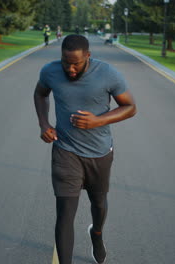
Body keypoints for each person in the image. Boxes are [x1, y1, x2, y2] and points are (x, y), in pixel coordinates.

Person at [33, 35, 136, 264]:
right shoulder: (50, 71)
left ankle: (96, 234)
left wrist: (98, 121)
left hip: (99, 152)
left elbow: (130, 107)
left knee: (98, 203)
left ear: (88, 56)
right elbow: (40, 93)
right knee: (65, 214)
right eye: (65, 62)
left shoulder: (107, 73)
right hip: (65, 151)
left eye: (76, 63)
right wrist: (44, 124)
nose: (70, 69)